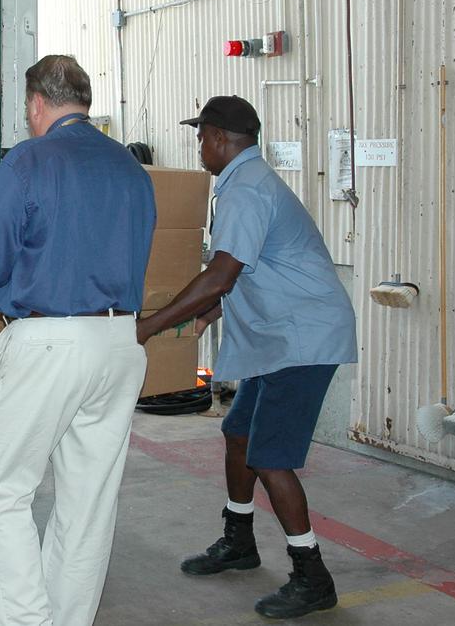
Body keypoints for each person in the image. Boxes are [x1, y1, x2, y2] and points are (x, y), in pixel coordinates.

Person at [0, 55, 156, 626]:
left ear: (36, 104)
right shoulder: (132, 169)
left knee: (0, 496)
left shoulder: (31, 160)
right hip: (119, 342)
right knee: (87, 505)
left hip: (48, 344)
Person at [135, 95, 357, 620]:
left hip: (302, 339)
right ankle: (239, 540)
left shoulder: (249, 189)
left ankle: (312, 574)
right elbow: (242, 272)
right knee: (239, 434)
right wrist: (206, 314)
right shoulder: (241, 183)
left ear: (217, 138)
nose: (196, 146)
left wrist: (149, 326)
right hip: (277, 338)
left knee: (271, 457)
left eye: (199, 136)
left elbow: (223, 273)